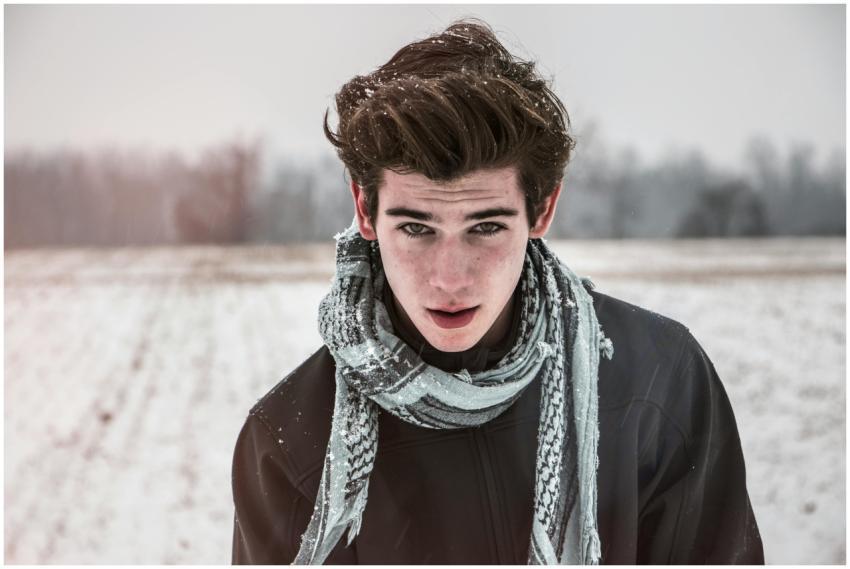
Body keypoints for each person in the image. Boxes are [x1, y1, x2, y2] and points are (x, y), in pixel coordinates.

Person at [231, 19, 764, 564]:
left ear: (543, 209)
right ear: (366, 210)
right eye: (416, 228)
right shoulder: (290, 439)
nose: (450, 278)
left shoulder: (658, 382)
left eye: (486, 227)